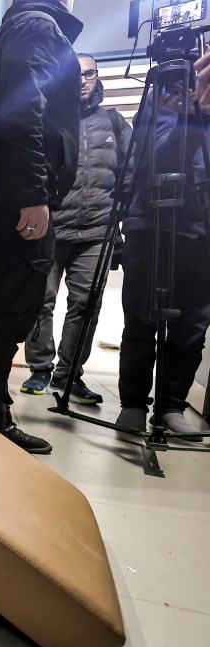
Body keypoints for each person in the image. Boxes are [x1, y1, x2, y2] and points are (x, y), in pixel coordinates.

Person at [0, 0, 83, 455]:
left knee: (0, 313)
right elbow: (24, 109)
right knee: (10, 311)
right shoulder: (36, 26)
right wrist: (34, 193)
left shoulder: (9, 31)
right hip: (16, 201)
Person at [20, 55, 131, 404]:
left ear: (97, 78)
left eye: (89, 74)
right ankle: (39, 369)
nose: (83, 80)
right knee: (41, 301)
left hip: (97, 233)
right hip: (51, 230)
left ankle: (69, 376)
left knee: (86, 305)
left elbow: (129, 176)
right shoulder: (49, 121)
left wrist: (121, 221)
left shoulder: (114, 122)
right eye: (76, 74)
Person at [114, 81, 210, 441]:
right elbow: (148, 154)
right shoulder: (166, 88)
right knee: (141, 316)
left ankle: (172, 405)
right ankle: (134, 403)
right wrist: (189, 117)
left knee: (193, 324)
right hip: (151, 221)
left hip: (204, 227)